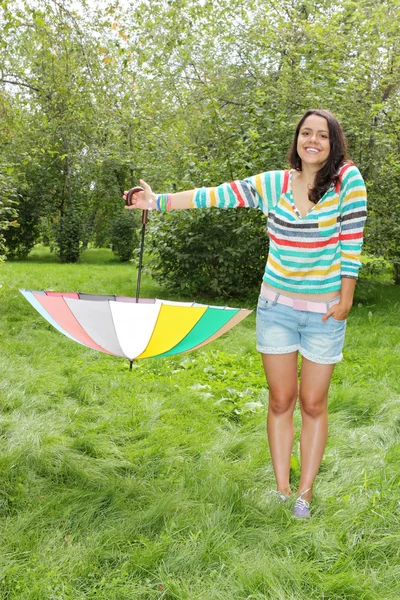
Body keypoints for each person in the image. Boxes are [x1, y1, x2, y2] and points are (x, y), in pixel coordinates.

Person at [124, 109, 367, 519]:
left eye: (322, 135)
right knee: (280, 400)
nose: (312, 141)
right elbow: (215, 195)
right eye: (305, 133)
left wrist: (345, 299)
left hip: (325, 314)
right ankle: (282, 488)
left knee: (312, 402)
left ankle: (305, 494)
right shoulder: (274, 184)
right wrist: (157, 201)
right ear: (296, 140)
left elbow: (352, 240)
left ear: (333, 143)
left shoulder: (348, 183)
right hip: (277, 308)